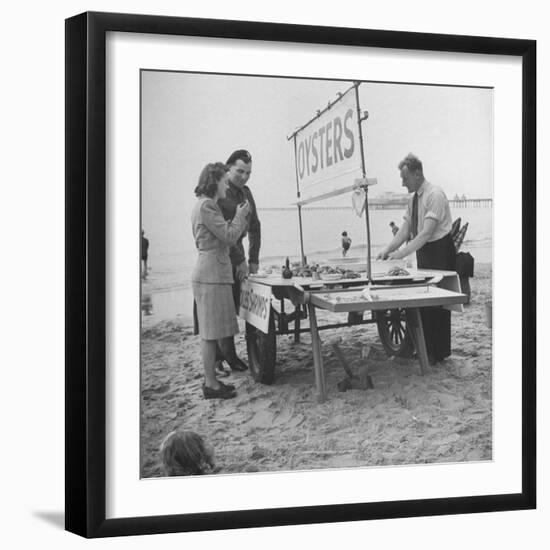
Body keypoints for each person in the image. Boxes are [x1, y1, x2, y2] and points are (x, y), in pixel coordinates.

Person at [376, 153, 454, 364]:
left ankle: (438, 352)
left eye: (405, 177)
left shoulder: (434, 195)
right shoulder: (413, 200)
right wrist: (387, 251)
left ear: (417, 174)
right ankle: (425, 348)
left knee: (438, 303)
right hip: (425, 251)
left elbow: (426, 233)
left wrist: (401, 254)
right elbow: (404, 232)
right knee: (424, 300)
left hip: (440, 250)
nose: (402, 182)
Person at [191, 162, 250, 399]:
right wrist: (240, 216)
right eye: (225, 180)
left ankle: (212, 381)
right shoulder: (207, 205)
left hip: (211, 273)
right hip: (211, 275)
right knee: (209, 333)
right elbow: (228, 236)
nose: (227, 184)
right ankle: (211, 384)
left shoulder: (205, 205)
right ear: (215, 181)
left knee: (211, 332)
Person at [216, 149, 261, 373]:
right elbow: (225, 233)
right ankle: (225, 357)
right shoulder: (220, 192)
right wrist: (240, 261)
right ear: (228, 168)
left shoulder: (246, 192)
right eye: (240, 171)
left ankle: (230, 355)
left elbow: (255, 227)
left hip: (240, 252)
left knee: (238, 304)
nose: (244, 177)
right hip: (221, 255)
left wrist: (253, 259)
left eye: (248, 173)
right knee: (222, 309)